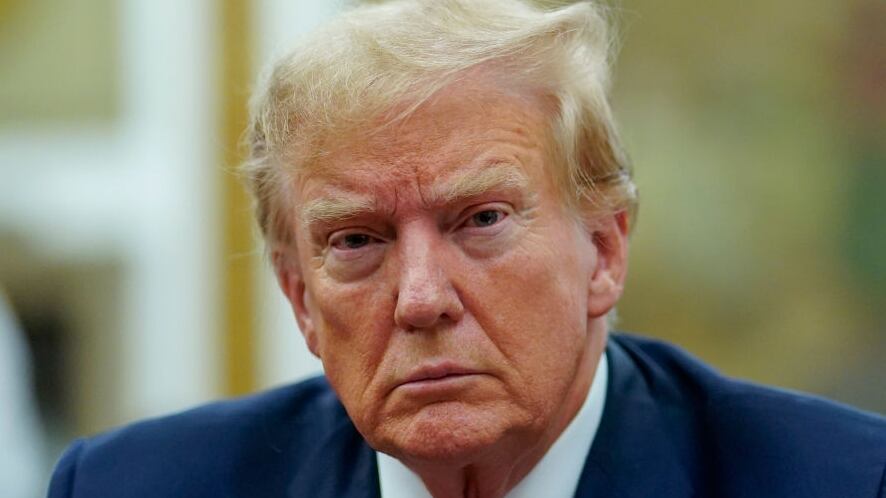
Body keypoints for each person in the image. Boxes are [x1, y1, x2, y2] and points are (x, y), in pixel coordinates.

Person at [48, 1, 886, 497]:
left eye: (480, 220)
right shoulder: (135, 487)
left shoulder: (839, 482)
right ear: (300, 298)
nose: (420, 297)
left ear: (603, 252)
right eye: (357, 240)